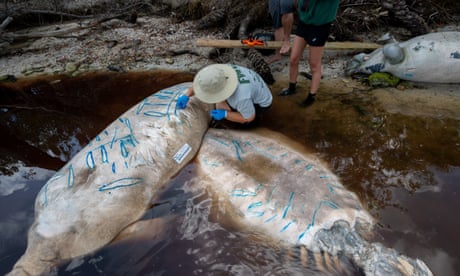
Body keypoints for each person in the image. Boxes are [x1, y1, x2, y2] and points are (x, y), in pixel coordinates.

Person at [278, 0, 340, 107]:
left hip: (320, 25)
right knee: (293, 58)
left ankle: (311, 96)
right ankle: (292, 87)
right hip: (304, 22)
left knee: (314, 64)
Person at [176, 64, 273, 125]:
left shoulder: (241, 97)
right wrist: (186, 95)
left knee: (226, 111)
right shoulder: (219, 72)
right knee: (220, 104)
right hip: (253, 86)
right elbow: (203, 83)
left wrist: (225, 114)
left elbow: (249, 117)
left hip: (261, 103)